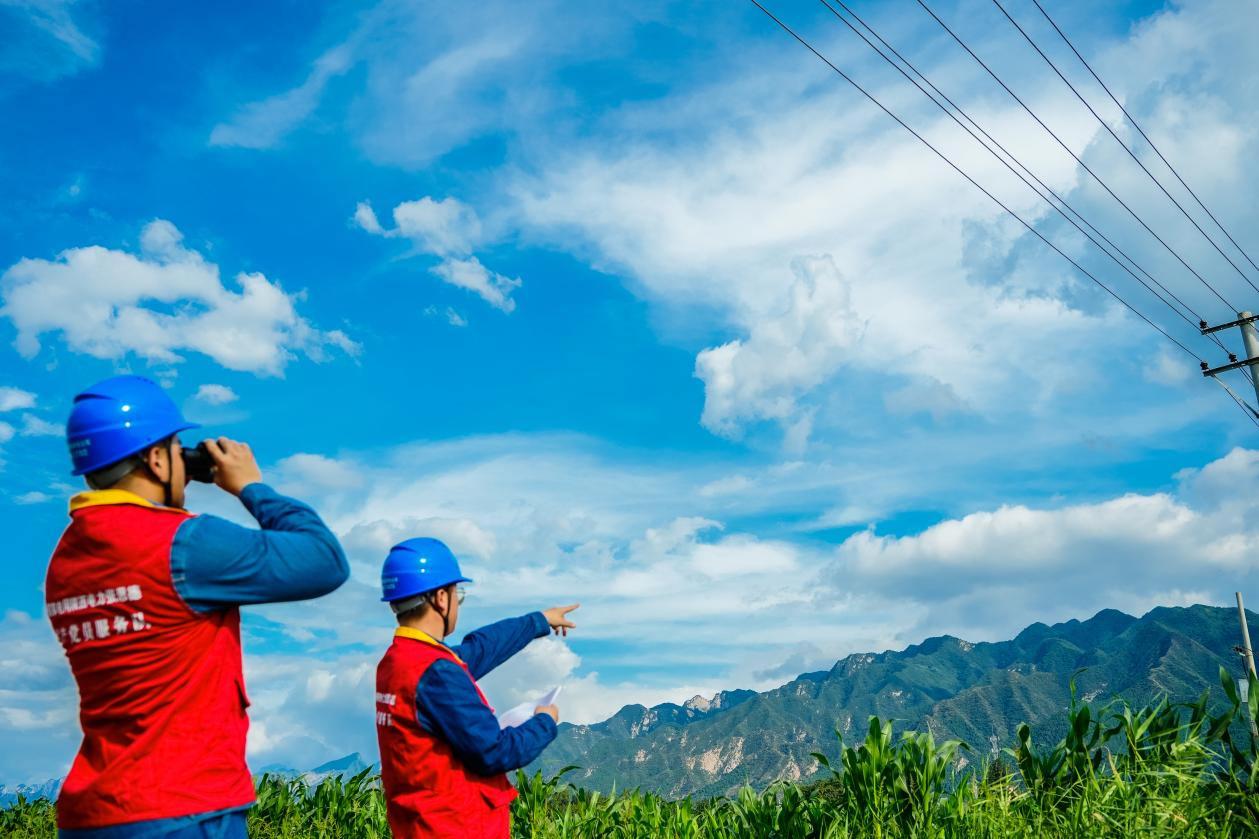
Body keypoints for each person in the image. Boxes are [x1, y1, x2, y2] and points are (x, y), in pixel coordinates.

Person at [44, 375, 350, 838]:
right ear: (155, 458)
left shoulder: (65, 560)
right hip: (187, 808)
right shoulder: (183, 544)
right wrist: (252, 487)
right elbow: (325, 561)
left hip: (94, 815)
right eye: (176, 449)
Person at [375, 537, 578, 838]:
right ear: (441, 598)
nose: (458, 603)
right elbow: (494, 753)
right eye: (459, 594)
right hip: (457, 828)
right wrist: (544, 721)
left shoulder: (398, 661)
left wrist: (540, 621)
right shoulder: (437, 673)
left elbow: (479, 649)